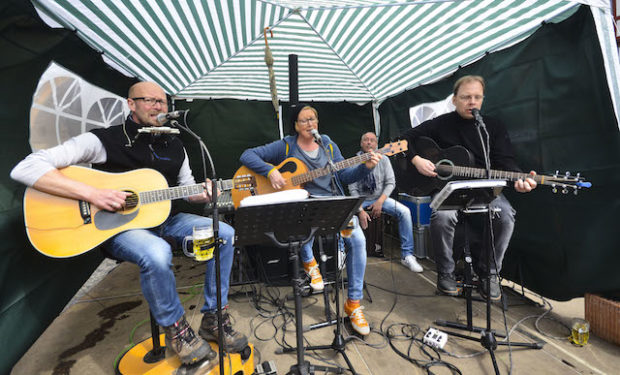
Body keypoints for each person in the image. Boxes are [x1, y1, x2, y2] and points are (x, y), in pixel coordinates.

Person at [10, 82, 247, 367]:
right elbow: (26, 167)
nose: (159, 107)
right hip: (118, 228)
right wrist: (92, 193)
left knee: (225, 234)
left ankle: (214, 317)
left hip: (165, 220)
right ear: (131, 104)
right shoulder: (103, 140)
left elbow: (186, 189)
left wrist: (203, 193)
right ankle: (177, 329)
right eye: (150, 100)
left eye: (163, 102)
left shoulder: (176, 146)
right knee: (156, 253)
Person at [239, 105, 381, 336]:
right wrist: (269, 171)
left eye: (313, 119)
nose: (309, 124)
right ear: (295, 125)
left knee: (358, 240)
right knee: (297, 216)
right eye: (304, 120)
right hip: (303, 205)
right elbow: (247, 155)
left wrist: (366, 168)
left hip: (331, 203)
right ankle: (310, 264)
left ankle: (353, 304)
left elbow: (344, 174)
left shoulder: (327, 143)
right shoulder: (286, 145)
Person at [402, 75, 537, 301]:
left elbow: (506, 161)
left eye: (476, 97)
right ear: (454, 100)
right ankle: (445, 272)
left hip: (484, 189)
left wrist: (519, 180)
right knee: (442, 217)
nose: (471, 102)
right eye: (466, 97)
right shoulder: (440, 123)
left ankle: (489, 274)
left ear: (482, 100)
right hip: (449, 187)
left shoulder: (492, 127)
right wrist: (416, 159)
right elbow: (405, 138)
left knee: (506, 216)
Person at [349, 132, 423, 273]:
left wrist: (380, 202)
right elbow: (352, 189)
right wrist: (360, 211)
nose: (369, 142)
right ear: (361, 143)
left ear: (376, 144)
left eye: (372, 140)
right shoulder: (354, 160)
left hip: (380, 197)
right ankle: (344, 253)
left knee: (405, 212)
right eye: (366, 140)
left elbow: (390, 183)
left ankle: (407, 255)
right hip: (361, 200)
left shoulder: (383, 159)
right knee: (348, 217)